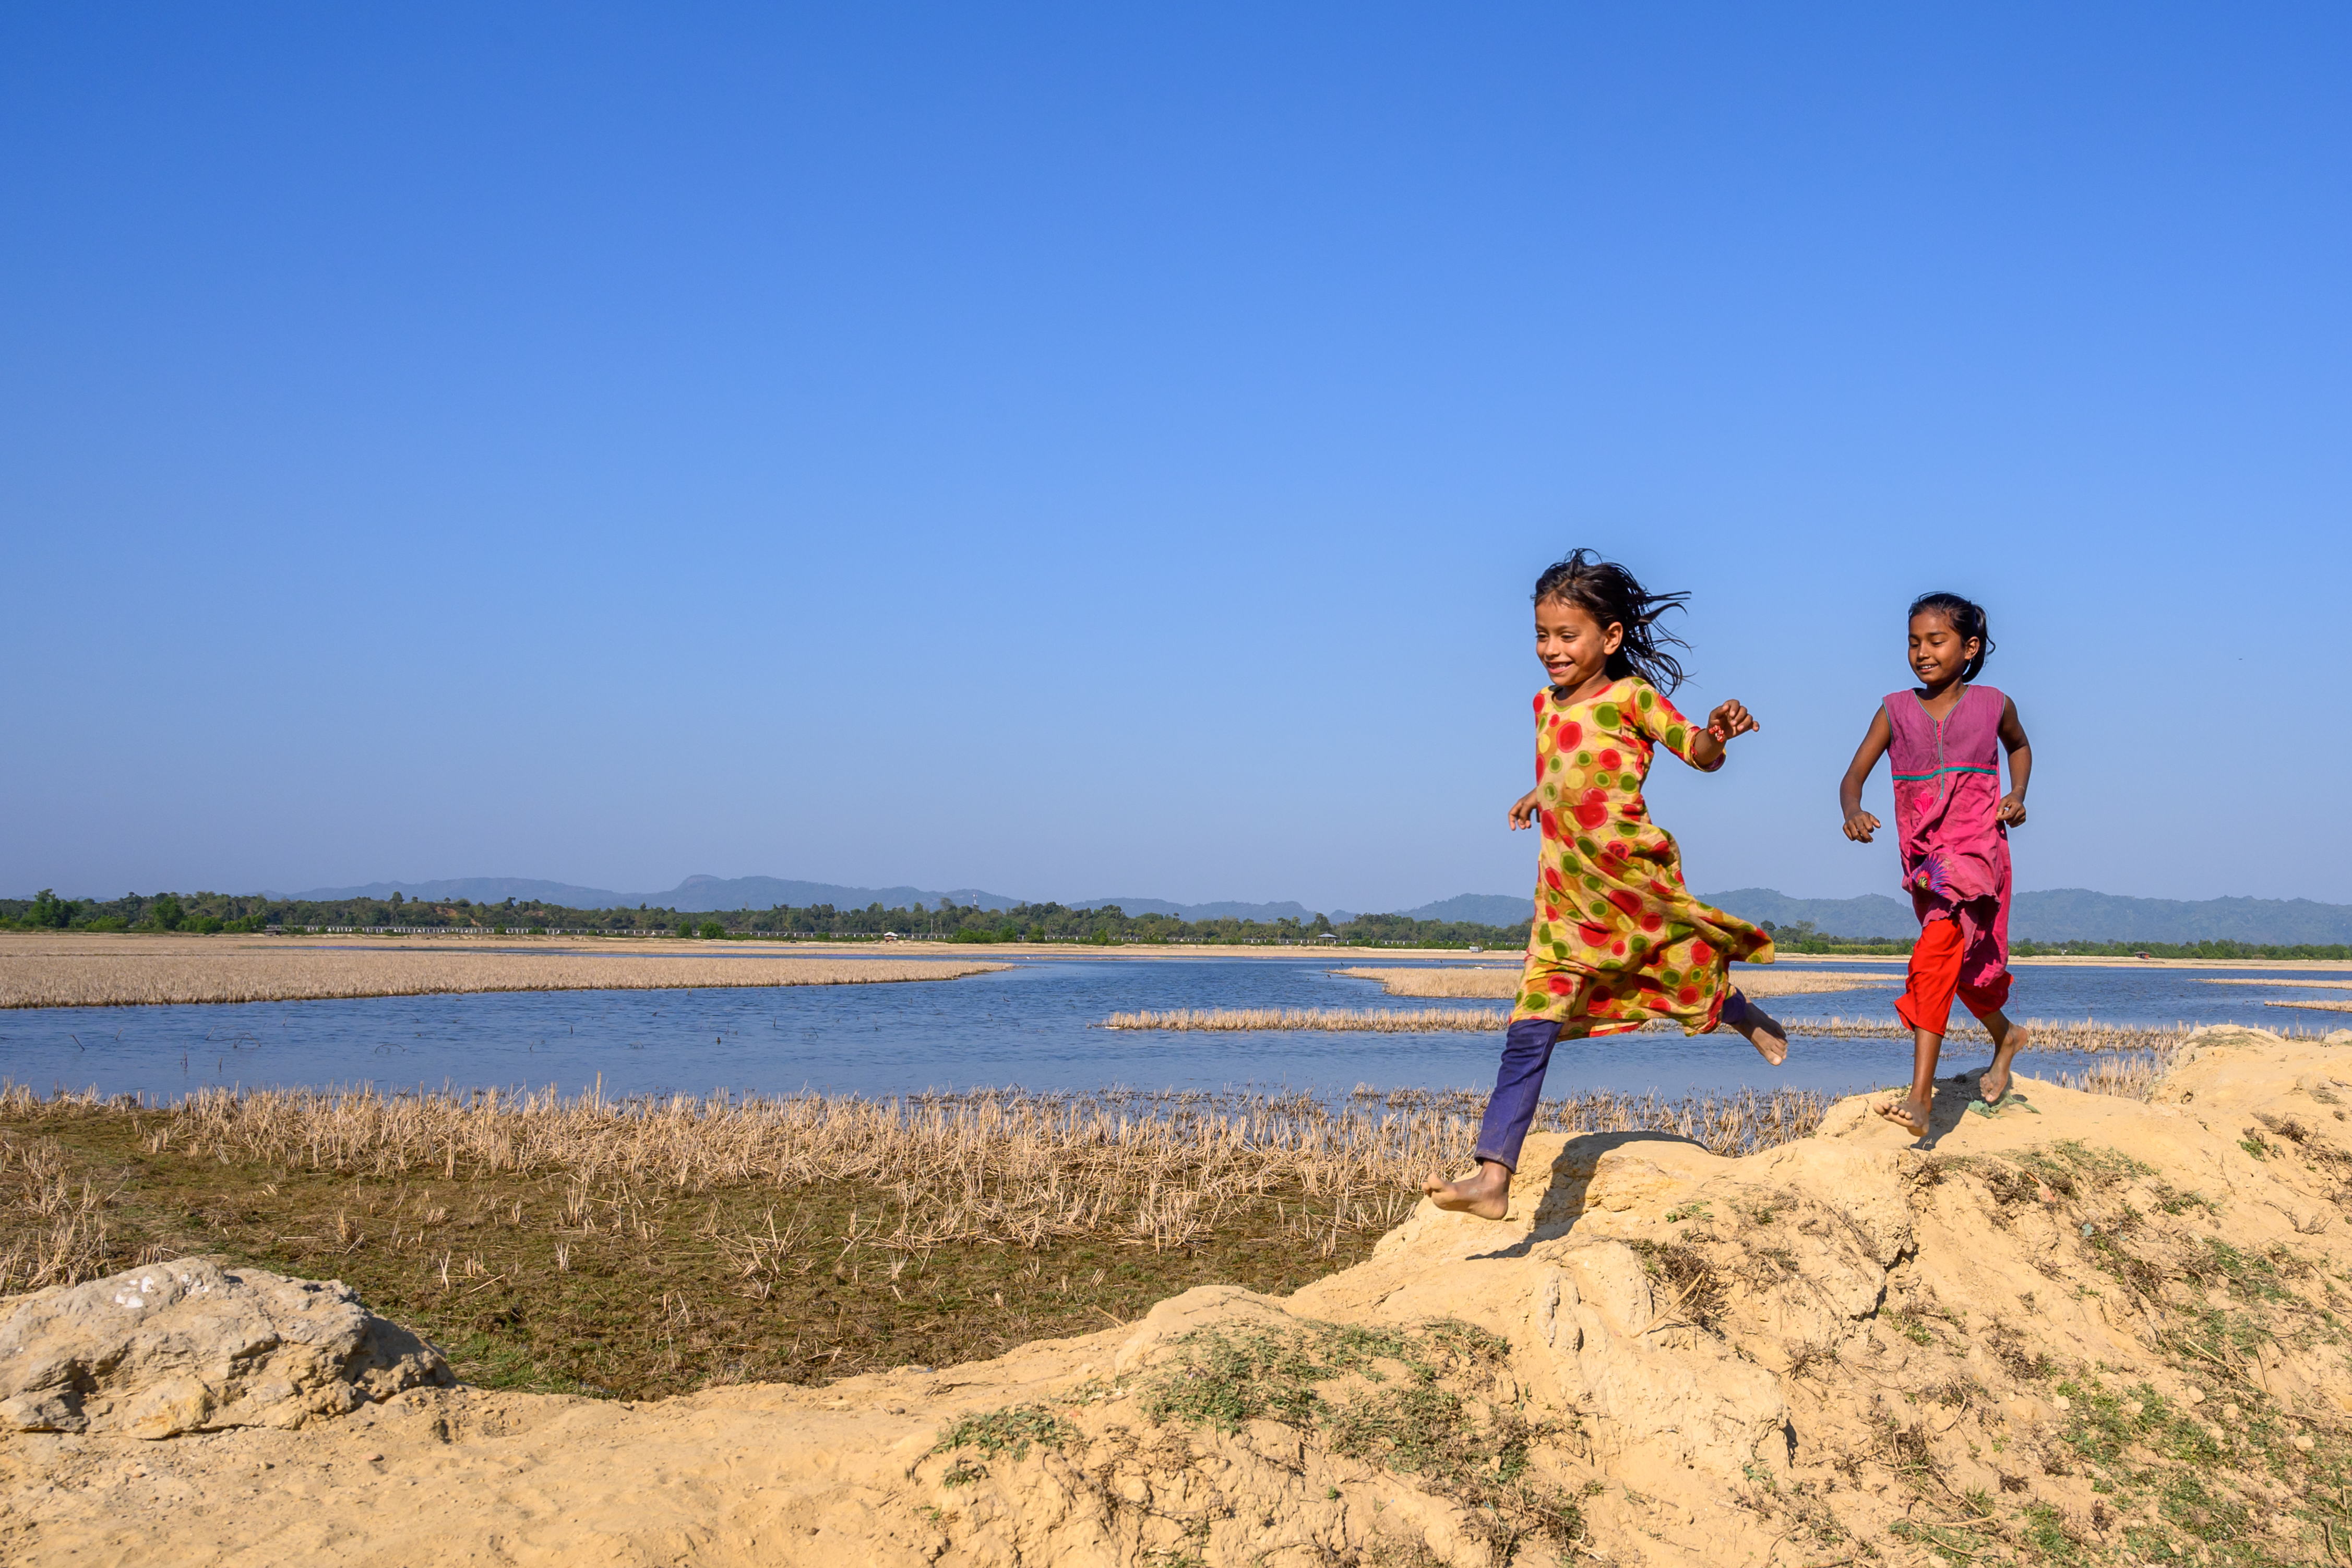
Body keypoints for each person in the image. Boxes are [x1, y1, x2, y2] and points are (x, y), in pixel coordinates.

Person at [1424, 550, 1786, 1220]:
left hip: (1630, 886)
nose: (1550, 649)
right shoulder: (1542, 704)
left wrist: (1716, 733)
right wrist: (1541, 792)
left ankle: (1741, 1014)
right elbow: (1573, 764)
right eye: (1542, 634)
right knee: (1528, 1028)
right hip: (1564, 899)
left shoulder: (1632, 697)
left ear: (1610, 638)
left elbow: (1697, 755)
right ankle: (1492, 1177)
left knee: (1682, 971)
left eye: (1567, 635)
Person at [1837, 591, 2034, 1137]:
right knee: (1964, 971)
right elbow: (1851, 775)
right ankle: (2007, 1036)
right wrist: (1852, 810)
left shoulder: (1994, 703)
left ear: (1968, 647)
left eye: (1935, 640)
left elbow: (2019, 746)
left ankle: (1920, 1098)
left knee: (1936, 953)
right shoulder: (1894, 709)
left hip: (1976, 853)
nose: (1921, 651)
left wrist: (2017, 793)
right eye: (1912, 641)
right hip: (1925, 862)